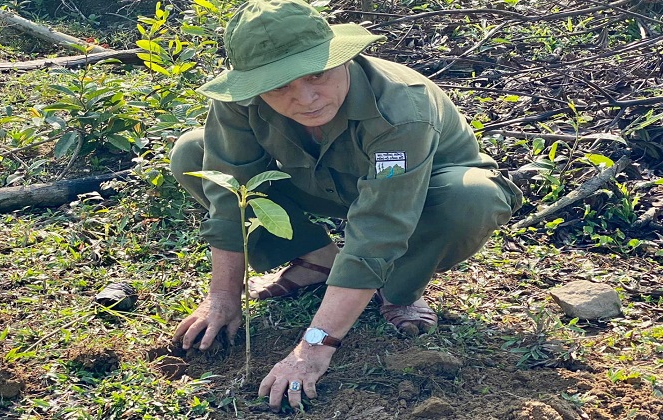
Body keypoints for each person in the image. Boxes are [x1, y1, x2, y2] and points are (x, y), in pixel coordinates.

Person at [170, 0, 522, 412]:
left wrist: (315, 346)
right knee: (193, 154)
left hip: (422, 193)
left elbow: (381, 225)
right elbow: (231, 191)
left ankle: (398, 288)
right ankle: (318, 258)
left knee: (471, 195)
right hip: (326, 181)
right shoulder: (240, 99)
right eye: (279, 86)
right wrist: (223, 296)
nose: (306, 99)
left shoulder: (401, 108)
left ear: (342, 57)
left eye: (316, 74)